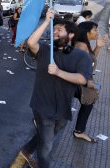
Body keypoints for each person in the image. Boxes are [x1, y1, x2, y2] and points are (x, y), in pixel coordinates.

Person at [15, 10, 92, 168]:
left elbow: (82, 79)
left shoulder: (81, 56)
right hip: (42, 106)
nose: (54, 32)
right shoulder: (45, 50)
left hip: (63, 108)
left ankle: (26, 150)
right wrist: (46, 21)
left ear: (70, 35)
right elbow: (31, 43)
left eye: (59, 29)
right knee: (46, 147)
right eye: (54, 29)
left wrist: (58, 72)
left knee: (46, 136)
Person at [72, 21, 108, 142]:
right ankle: (79, 131)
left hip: (82, 79)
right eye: (95, 30)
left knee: (88, 102)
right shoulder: (81, 46)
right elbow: (80, 67)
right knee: (88, 101)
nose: (97, 32)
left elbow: (90, 62)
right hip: (77, 81)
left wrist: (98, 46)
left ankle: (79, 131)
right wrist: (87, 82)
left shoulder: (85, 44)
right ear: (87, 32)